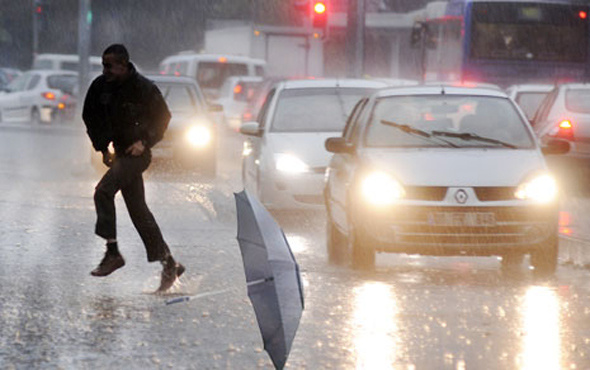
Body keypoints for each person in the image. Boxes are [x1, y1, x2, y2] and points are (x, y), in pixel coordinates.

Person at [82, 44, 184, 292]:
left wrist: (145, 141)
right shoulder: (100, 87)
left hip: (138, 155)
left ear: (123, 64)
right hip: (119, 153)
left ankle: (113, 252)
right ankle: (169, 263)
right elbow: (91, 116)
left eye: (110, 66)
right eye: (103, 65)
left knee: (103, 191)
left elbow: (164, 117)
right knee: (139, 211)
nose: (105, 70)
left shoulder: (143, 88)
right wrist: (103, 148)